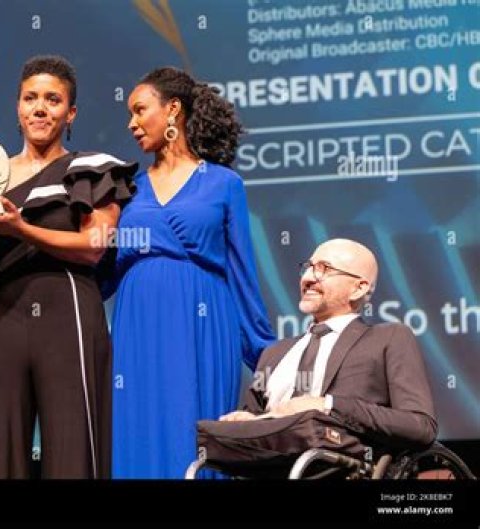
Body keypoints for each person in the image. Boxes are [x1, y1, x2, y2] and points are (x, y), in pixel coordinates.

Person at [0, 55, 137, 479]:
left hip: (69, 317)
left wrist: (20, 229)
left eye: (53, 99)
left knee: (72, 448)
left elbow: (94, 247)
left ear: (71, 113)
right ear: (18, 107)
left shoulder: (90, 169)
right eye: (30, 98)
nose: (40, 108)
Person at [110, 67, 275, 478]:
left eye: (139, 110)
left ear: (173, 110)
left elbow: (242, 274)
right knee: (137, 433)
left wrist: (269, 358)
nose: (131, 123)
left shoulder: (224, 184)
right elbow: (99, 267)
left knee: (194, 436)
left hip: (204, 323)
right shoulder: (126, 189)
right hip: (137, 327)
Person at [221, 238, 437, 450]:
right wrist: (245, 421)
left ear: (359, 288)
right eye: (308, 267)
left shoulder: (387, 338)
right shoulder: (274, 353)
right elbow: (254, 421)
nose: (307, 278)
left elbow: (420, 426)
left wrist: (326, 405)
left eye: (324, 269)